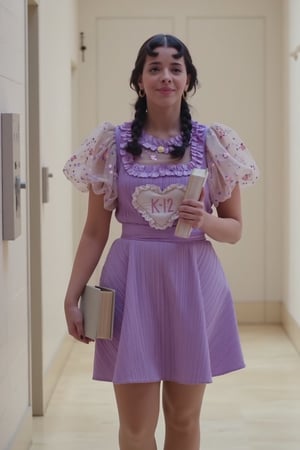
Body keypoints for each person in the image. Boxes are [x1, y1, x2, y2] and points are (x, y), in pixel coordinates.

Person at [63, 34, 259, 450]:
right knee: (136, 427)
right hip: (131, 284)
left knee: (184, 419)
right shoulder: (110, 144)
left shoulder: (213, 143)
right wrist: (71, 296)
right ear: (139, 80)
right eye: (155, 68)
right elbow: (95, 231)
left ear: (188, 80)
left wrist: (205, 220)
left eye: (175, 68)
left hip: (193, 284)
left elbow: (236, 229)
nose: (165, 76)